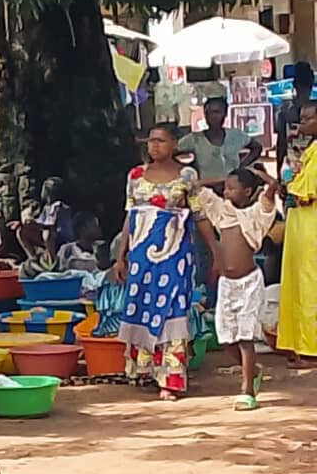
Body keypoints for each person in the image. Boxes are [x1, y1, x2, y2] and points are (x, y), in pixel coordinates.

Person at [112, 123, 219, 401]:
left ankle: (170, 378)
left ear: (174, 144)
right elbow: (130, 218)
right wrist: (120, 256)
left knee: (172, 309)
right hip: (140, 257)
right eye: (151, 141)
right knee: (142, 307)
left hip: (175, 256)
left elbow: (199, 215)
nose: (154, 146)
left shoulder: (186, 175)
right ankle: (145, 370)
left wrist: (216, 253)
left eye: (160, 140)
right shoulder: (135, 176)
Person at [195, 168, 276, 409]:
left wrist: (262, 176)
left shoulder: (256, 214)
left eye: (232, 188)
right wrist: (223, 179)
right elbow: (195, 186)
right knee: (225, 337)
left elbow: (272, 190)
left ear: (248, 191)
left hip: (249, 283)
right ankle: (252, 370)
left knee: (244, 337)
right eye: (225, 188)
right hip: (226, 284)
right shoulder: (223, 212)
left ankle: (247, 390)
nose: (226, 191)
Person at [277, 102, 317, 367]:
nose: (301, 124)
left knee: (310, 281)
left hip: (311, 224)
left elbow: (306, 192)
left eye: (307, 119)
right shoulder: (309, 149)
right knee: (297, 281)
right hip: (300, 225)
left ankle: (311, 346)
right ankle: (299, 342)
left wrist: (288, 187)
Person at [180, 97, 263, 183]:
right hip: (207, 188)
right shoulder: (194, 139)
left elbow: (257, 147)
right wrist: (190, 167)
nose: (213, 116)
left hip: (234, 188)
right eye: (209, 112)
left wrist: (242, 166)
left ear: (225, 114)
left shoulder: (236, 135)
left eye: (217, 112)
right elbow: (171, 152)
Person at [277, 62, 315, 191]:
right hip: (300, 167)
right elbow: (281, 144)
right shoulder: (288, 111)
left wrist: (279, 173)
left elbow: (281, 144)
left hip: (297, 166)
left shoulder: (285, 111)